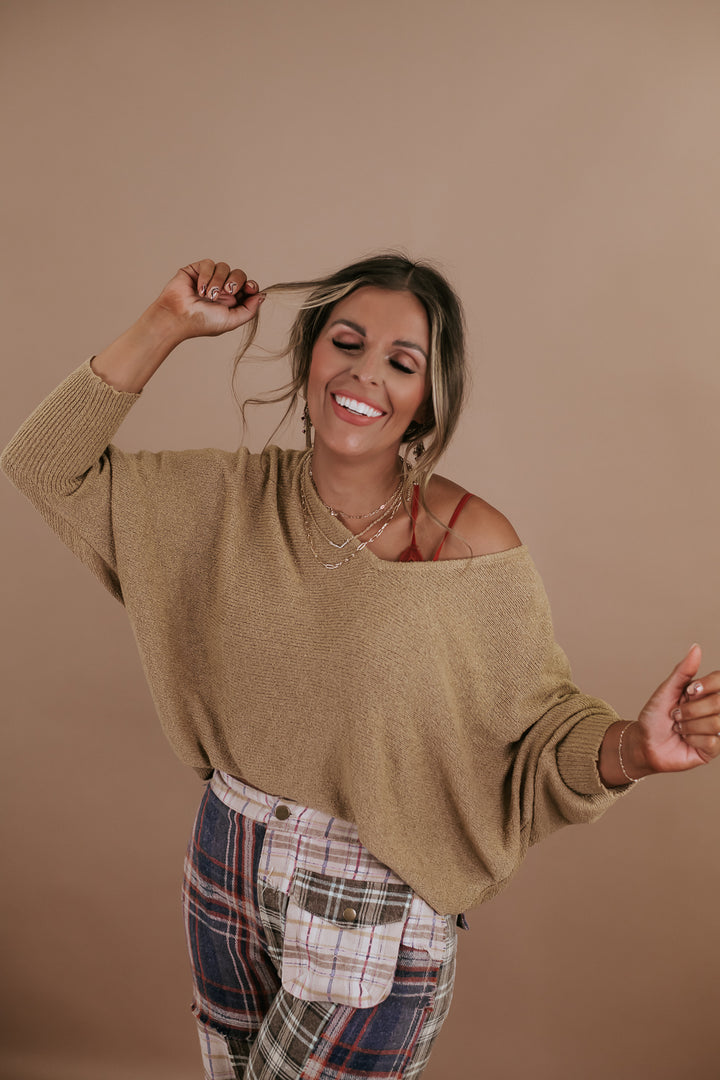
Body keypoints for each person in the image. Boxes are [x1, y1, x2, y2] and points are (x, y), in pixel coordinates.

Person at [2, 254, 718, 1080]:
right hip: (226, 861)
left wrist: (636, 749)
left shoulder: (470, 545)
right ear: (309, 354)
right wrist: (167, 322)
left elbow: (542, 730)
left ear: (427, 400)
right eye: (346, 342)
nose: (365, 374)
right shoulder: (222, 499)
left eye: (401, 363)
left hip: (371, 899)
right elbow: (43, 463)